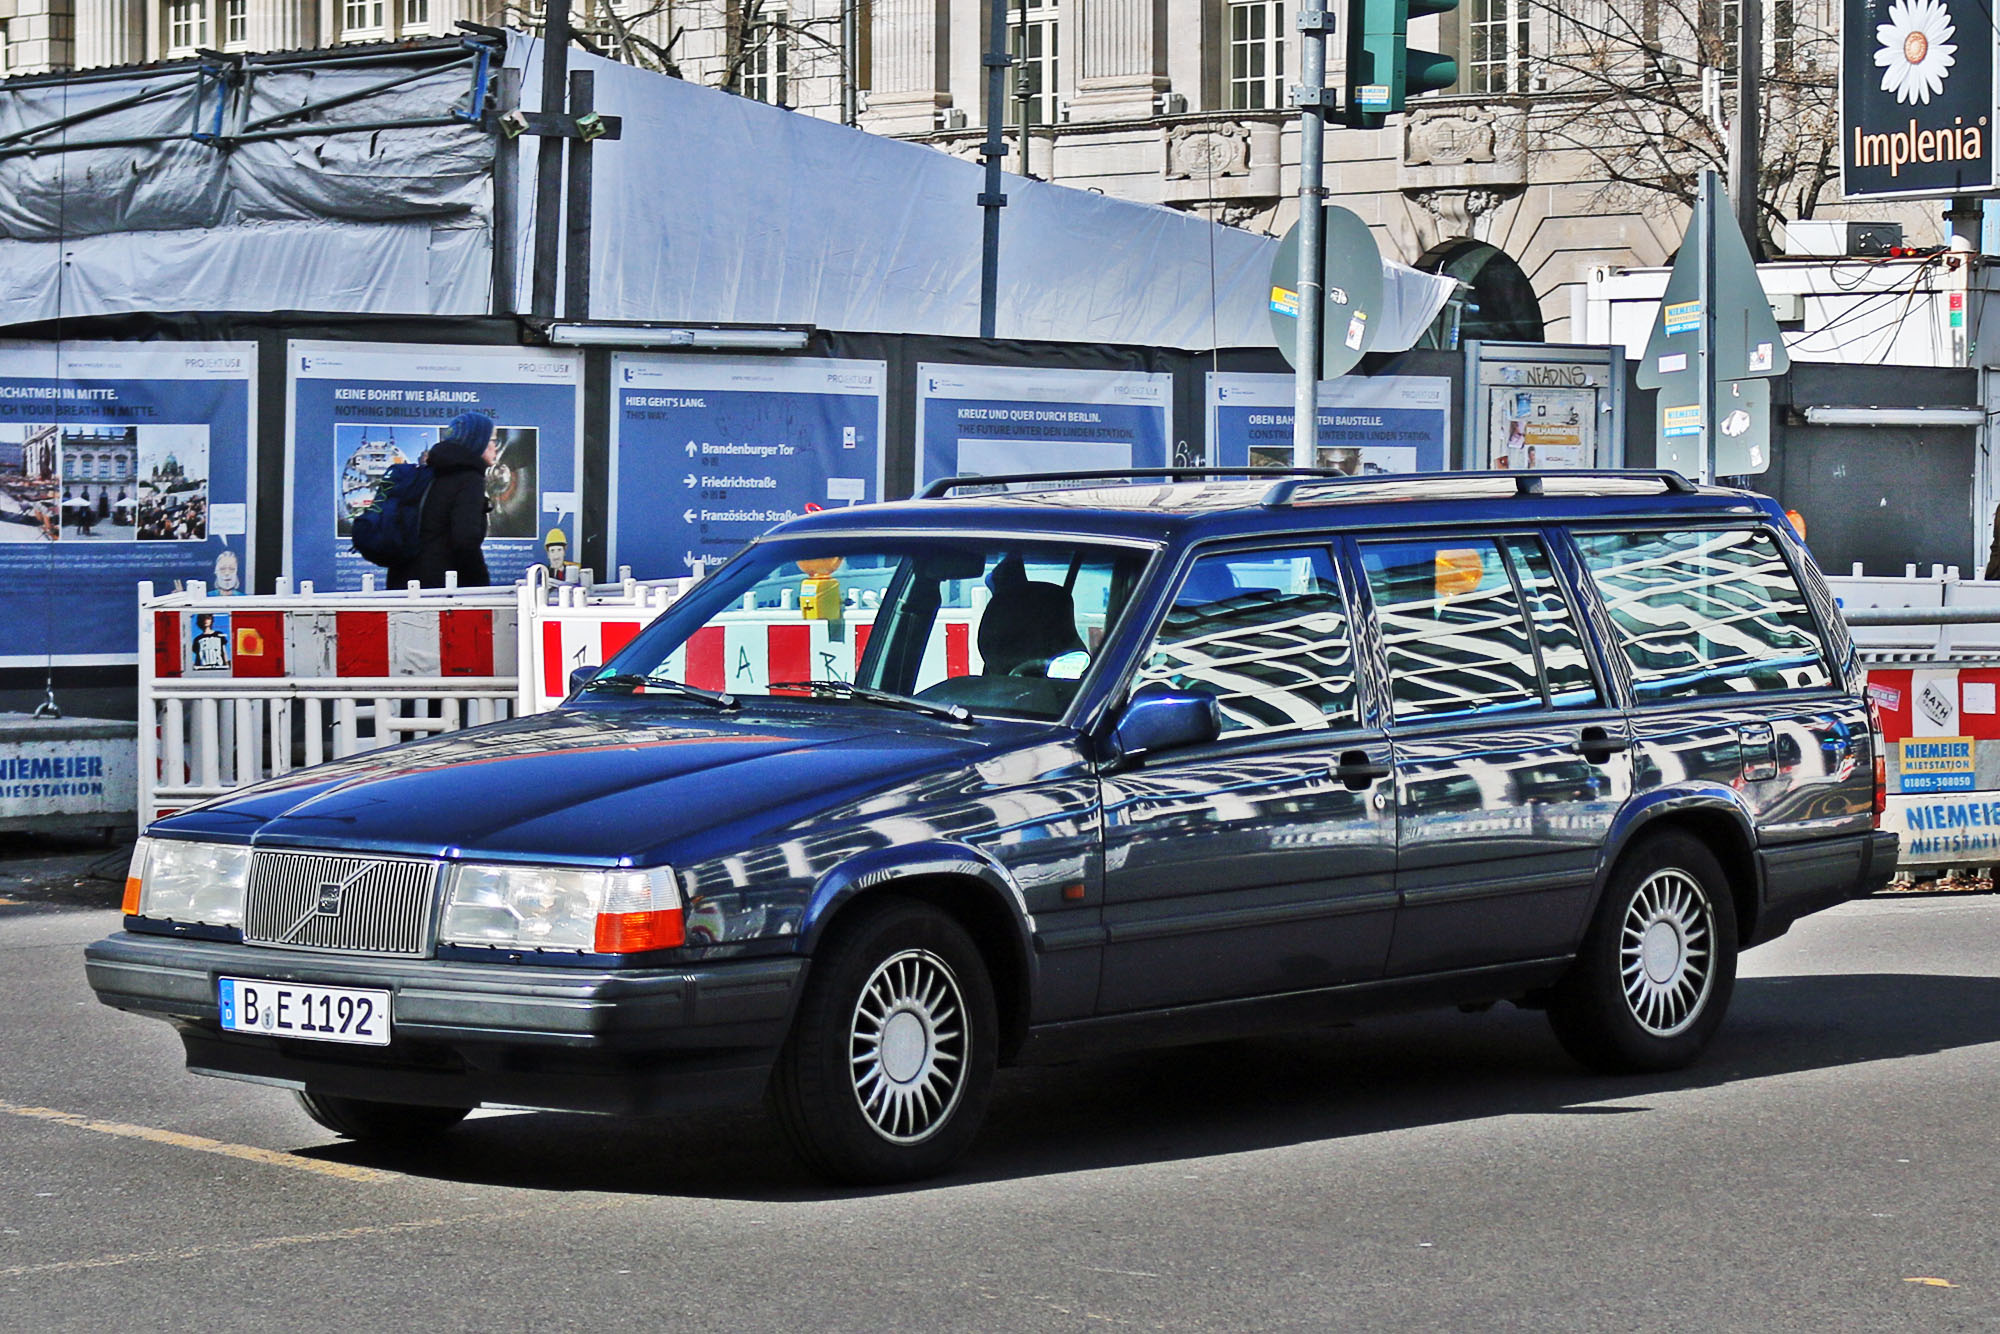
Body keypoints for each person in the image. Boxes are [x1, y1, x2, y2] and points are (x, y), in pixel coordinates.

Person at [390, 411, 496, 589]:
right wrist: (480, 585)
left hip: (403, 580)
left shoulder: (426, 473)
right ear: (478, 442)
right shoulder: (469, 479)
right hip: (441, 587)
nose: (495, 447)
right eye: (492, 440)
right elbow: (465, 540)